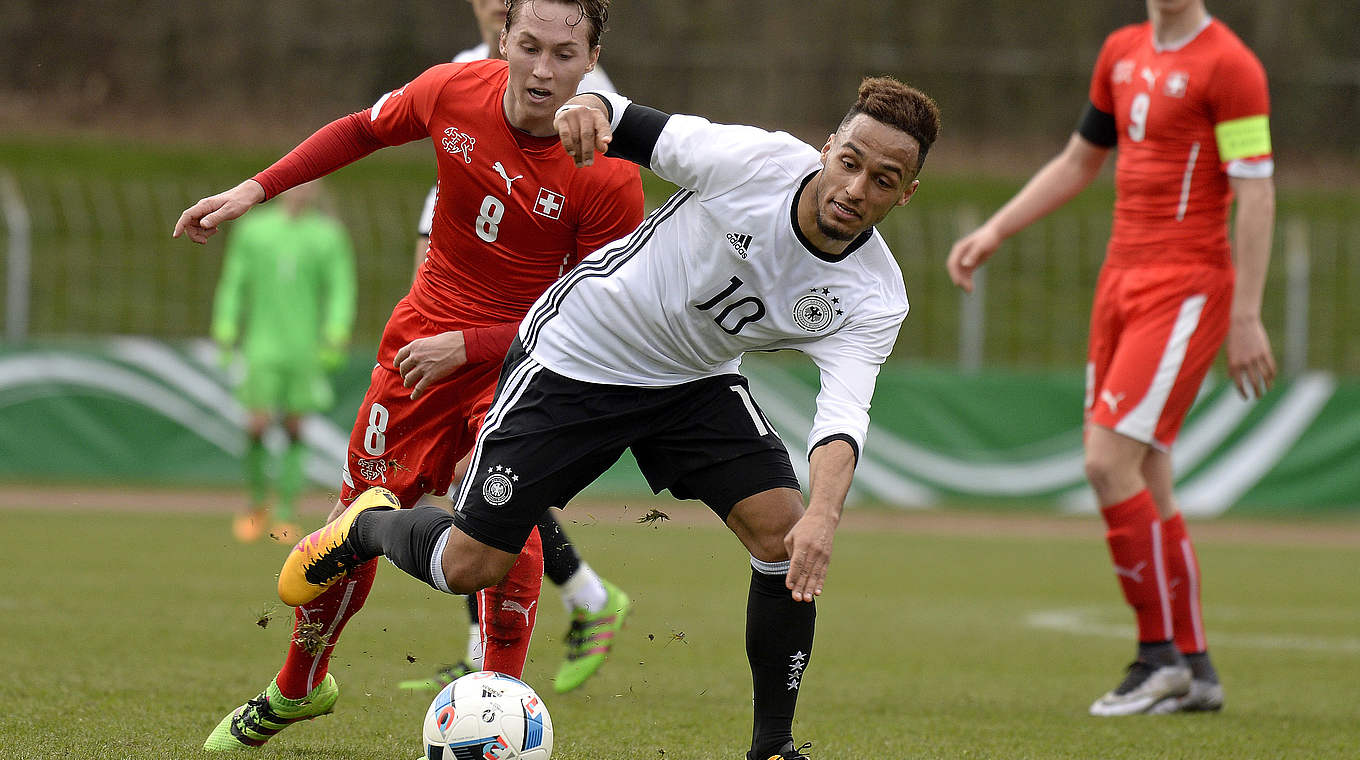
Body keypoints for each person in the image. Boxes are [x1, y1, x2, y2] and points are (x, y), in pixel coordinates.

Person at [276, 76, 942, 760]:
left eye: (885, 180)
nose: (857, 189)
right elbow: (617, 114)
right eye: (850, 162)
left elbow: (843, 412)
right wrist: (586, 111)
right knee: (470, 565)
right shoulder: (753, 162)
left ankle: (773, 747)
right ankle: (368, 525)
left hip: (694, 381)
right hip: (581, 354)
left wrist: (825, 518)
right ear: (827, 148)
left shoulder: (874, 296)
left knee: (785, 537)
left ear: (906, 193)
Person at [174, 0, 643, 751]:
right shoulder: (451, 91)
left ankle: (506, 703)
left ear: (591, 62)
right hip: (419, 347)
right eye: (529, 46)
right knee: (352, 518)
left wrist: (476, 344)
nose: (543, 69)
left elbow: (594, 313)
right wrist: (256, 190)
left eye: (564, 54)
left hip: (526, 363)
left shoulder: (609, 173)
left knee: (503, 521)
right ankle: (298, 688)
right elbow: (360, 131)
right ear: (504, 41)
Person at [946, 0, 1274, 717]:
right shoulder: (1120, 50)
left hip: (1187, 283)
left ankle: (1156, 659)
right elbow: (1078, 160)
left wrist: (1247, 312)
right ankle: (1197, 667)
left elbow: (1256, 191)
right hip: (1119, 279)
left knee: (1106, 462)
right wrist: (996, 229)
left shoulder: (1232, 66)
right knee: (1148, 473)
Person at [399, 0, 631, 697]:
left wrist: (474, 339)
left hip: (534, 320)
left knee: (486, 478)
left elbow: (594, 271)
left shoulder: (581, 94)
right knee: (474, 482)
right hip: (454, 290)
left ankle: (500, 650)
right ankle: (583, 601)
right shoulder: (465, 74)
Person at [210, 179, 356, 544]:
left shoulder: (327, 236)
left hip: (303, 349)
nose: (301, 192)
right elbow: (234, 280)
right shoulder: (254, 230)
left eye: (310, 186)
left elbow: (341, 286)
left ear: (318, 191)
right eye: (296, 185)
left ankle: (287, 512)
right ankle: (257, 503)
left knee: (294, 427)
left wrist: (337, 331)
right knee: (257, 425)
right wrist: (225, 324)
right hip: (262, 345)